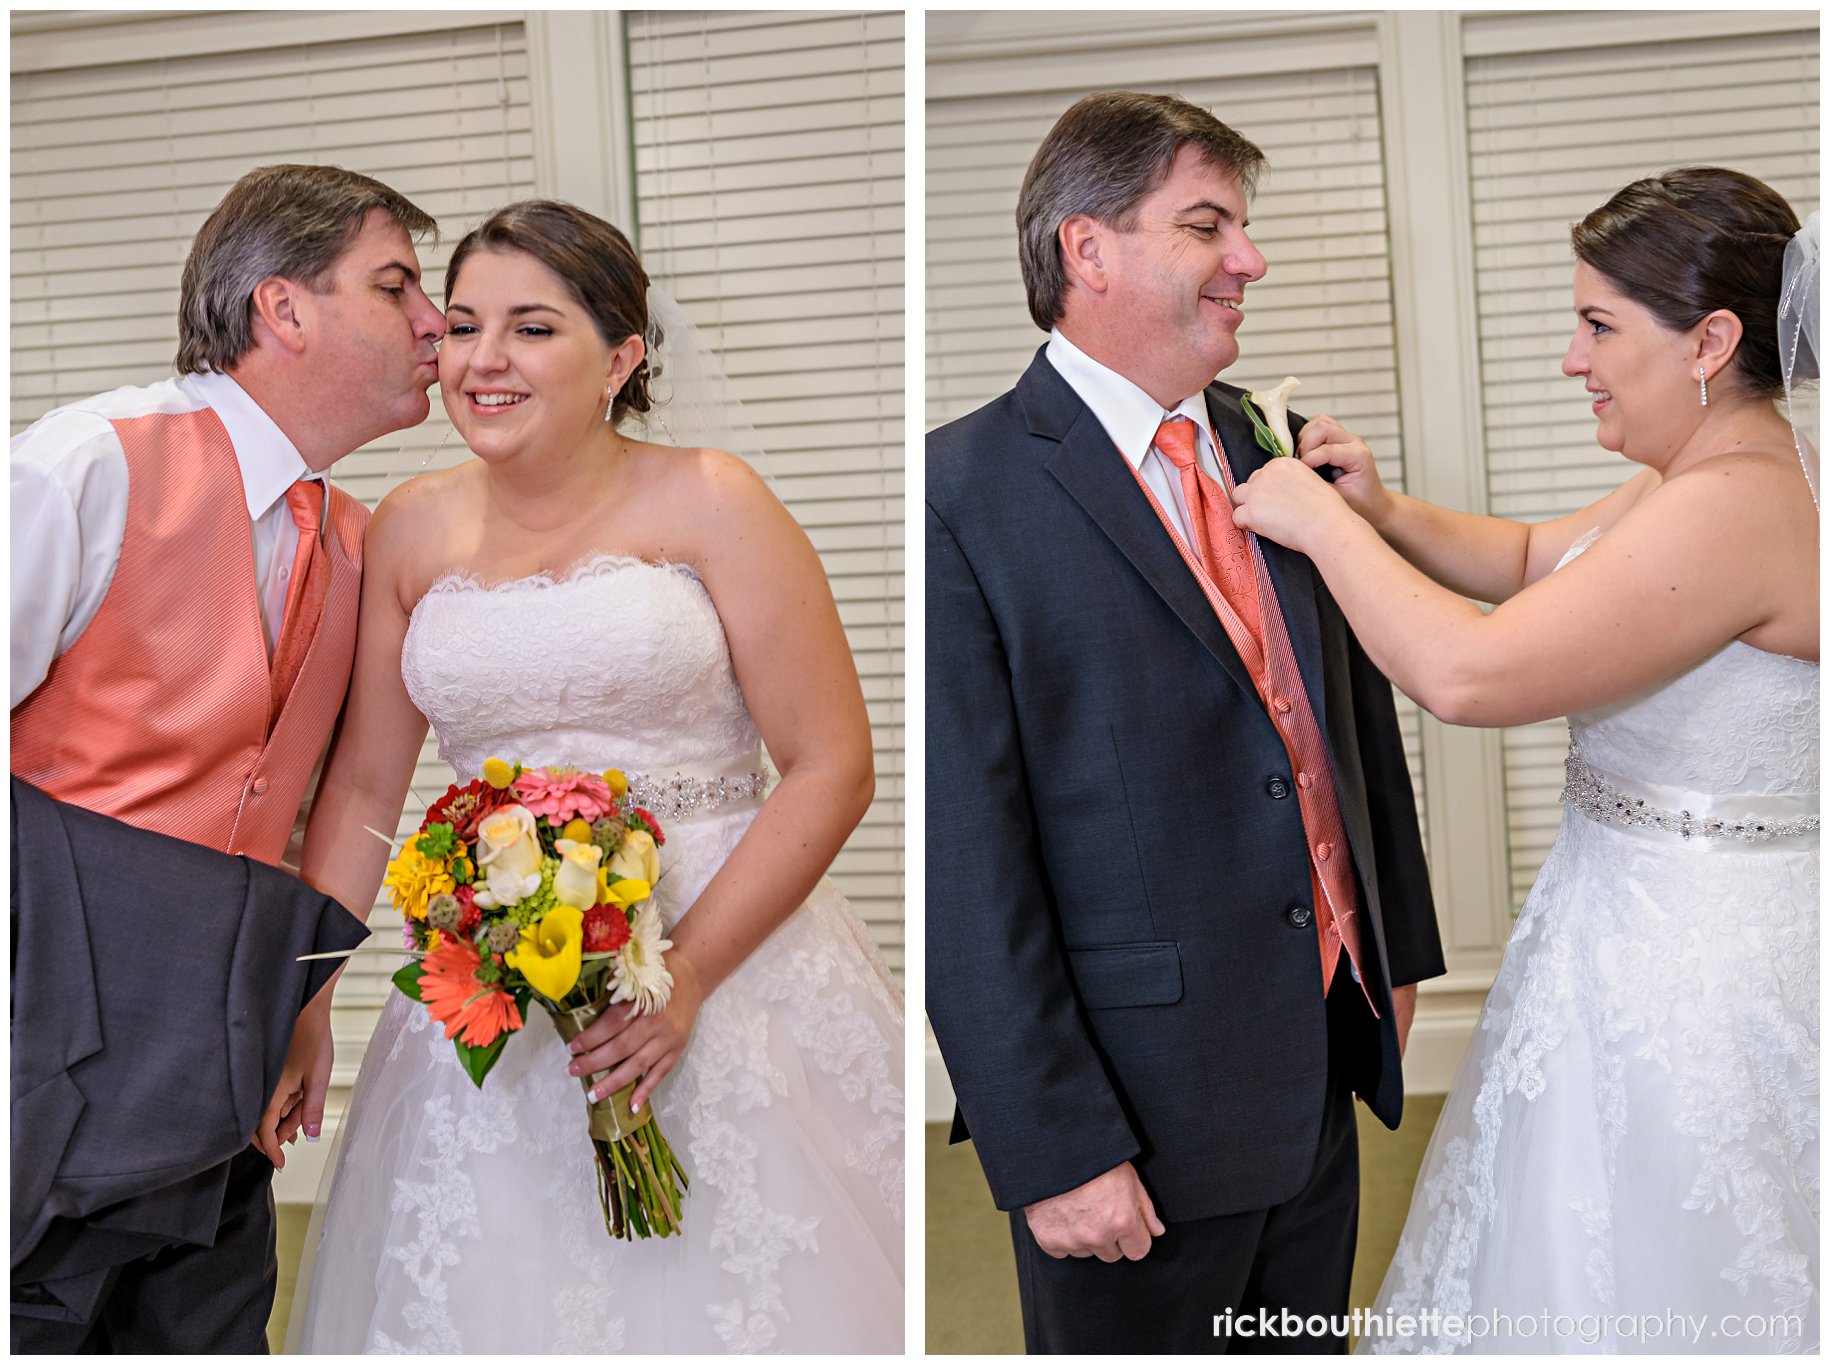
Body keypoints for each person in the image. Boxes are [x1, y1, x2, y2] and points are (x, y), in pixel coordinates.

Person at [287, 200, 905, 1353]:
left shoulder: (715, 499)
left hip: (721, 954)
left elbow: (831, 765)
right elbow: (368, 794)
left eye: (532, 329)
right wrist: (308, 993)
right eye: (463, 325)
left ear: (621, 357)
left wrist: (685, 982)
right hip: (494, 982)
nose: (482, 361)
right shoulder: (410, 530)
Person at [1231, 169, 1819, 1352]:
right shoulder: (1709, 472)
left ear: (1711, 338)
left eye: (1600, 326)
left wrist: (1323, 530)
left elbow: (1471, 676)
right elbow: (1538, 558)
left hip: (1696, 968)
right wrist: (1386, 510)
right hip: (1623, 923)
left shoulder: (1738, 506)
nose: (1571, 358)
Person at [925, 91, 1446, 1354]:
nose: (1250, 261)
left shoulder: (1265, 450)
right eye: (1208, 225)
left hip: (1321, 1053)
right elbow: (964, 854)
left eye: (1244, 229)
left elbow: (1351, 730)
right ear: (1086, 250)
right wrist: (1053, 1144)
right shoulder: (960, 490)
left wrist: (1393, 958)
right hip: (1133, 1109)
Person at [9, 163, 443, 1352]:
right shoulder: (90, 462)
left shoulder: (360, 540)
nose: (434, 323)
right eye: (396, 283)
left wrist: (306, 996)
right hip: (50, 1062)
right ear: (283, 307)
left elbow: (331, 801)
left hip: (231, 1067)